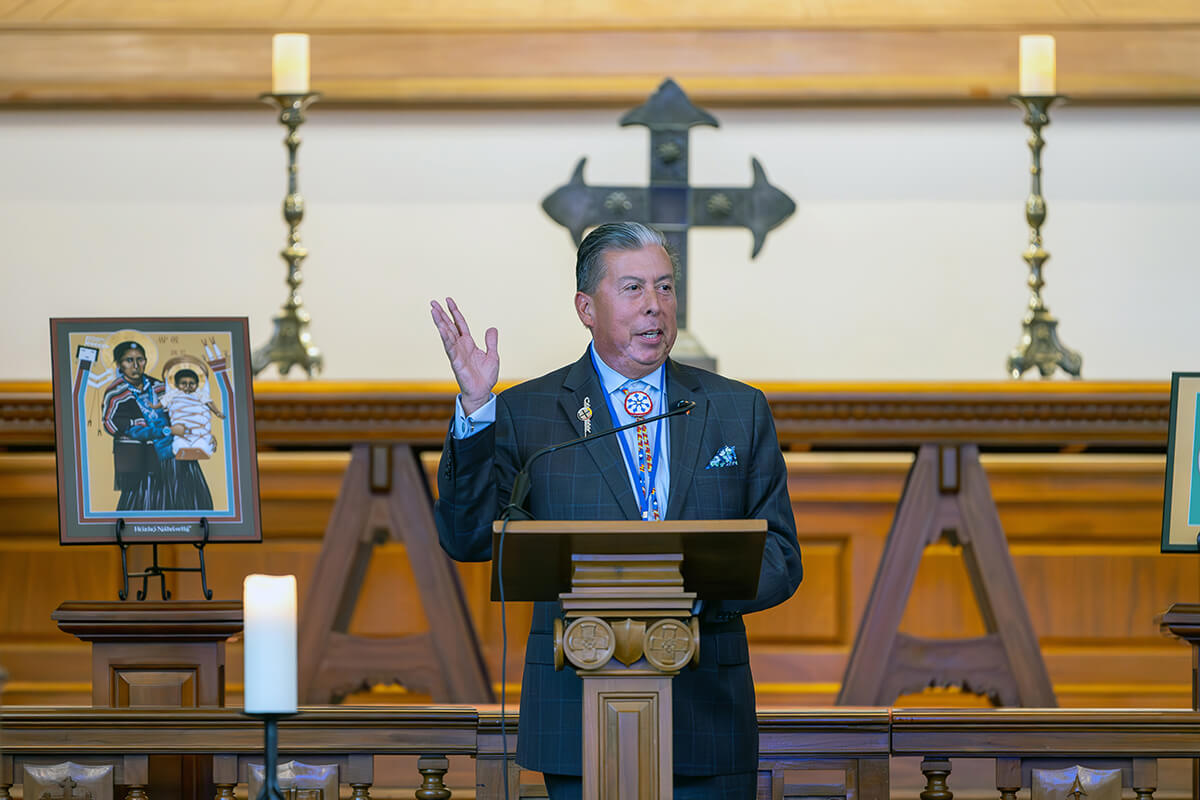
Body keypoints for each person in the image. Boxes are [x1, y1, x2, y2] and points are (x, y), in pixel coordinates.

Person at [431, 222, 803, 799]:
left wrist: (691, 584)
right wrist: (478, 410)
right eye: (632, 288)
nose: (654, 306)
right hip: (577, 705)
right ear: (586, 306)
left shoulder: (737, 409)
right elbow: (470, 536)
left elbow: (782, 554)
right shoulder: (529, 413)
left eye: (665, 287)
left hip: (706, 711)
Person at [100, 341, 213, 511]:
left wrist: (202, 435)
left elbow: (182, 415)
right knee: (146, 506)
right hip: (144, 461)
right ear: (119, 364)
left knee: (188, 503)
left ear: (146, 360)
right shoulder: (116, 393)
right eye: (129, 360)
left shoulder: (160, 387)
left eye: (140, 359)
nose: (136, 365)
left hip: (176, 459)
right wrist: (165, 430)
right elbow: (124, 429)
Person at [155, 368, 224, 459]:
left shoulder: (200, 395)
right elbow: (154, 431)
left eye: (191, 383)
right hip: (169, 453)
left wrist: (206, 433)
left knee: (204, 445)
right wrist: (170, 430)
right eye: (183, 383)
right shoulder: (169, 397)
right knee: (179, 445)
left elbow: (206, 409)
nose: (187, 387)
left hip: (197, 442)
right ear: (176, 384)